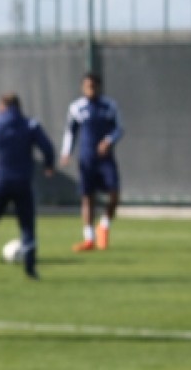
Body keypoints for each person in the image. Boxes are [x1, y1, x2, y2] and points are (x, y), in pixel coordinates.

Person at [0, 92, 55, 278]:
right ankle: (30, 267)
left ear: (1, 106)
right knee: (27, 225)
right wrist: (49, 165)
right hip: (22, 182)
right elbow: (47, 147)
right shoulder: (30, 124)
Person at [61, 72, 124, 251]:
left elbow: (120, 128)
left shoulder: (109, 106)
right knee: (87, 197)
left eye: (93, 86)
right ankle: (89, 238)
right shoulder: (77, 107)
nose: (91, 89)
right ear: (83, 87)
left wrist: (108, 141)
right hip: (87, 158)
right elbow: (70, 131)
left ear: (99, 87)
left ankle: (104, 225)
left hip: (105, 158)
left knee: (114, 193)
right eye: (87, 86)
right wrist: (66, 152)